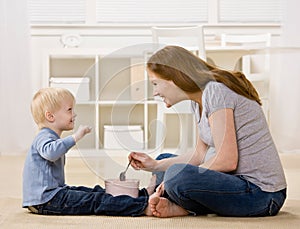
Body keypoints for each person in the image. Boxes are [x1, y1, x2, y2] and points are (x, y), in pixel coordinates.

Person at [129, 45, 287, 218]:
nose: (155, 92)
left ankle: (182, 205)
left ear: (173, 78)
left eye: (155, 84)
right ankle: (178, 204)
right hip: (235, 184)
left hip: (262, 194)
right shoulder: (197, 101)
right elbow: (199, 155)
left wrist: (173, 178)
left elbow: (227, 160)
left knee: (176, 175)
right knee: (165, 162)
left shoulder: (215, 91)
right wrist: (154, 165)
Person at [22, 87, 155, 216]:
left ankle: (142, 195)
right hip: (46, 200)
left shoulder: (50, 137)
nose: (74, 114)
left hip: (53, 195)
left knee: (94, 191)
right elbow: (50, 153)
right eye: (69, 110)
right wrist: (75, 137)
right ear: (50, 116)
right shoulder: (43, 136)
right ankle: (142, 207)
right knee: (95, 200)